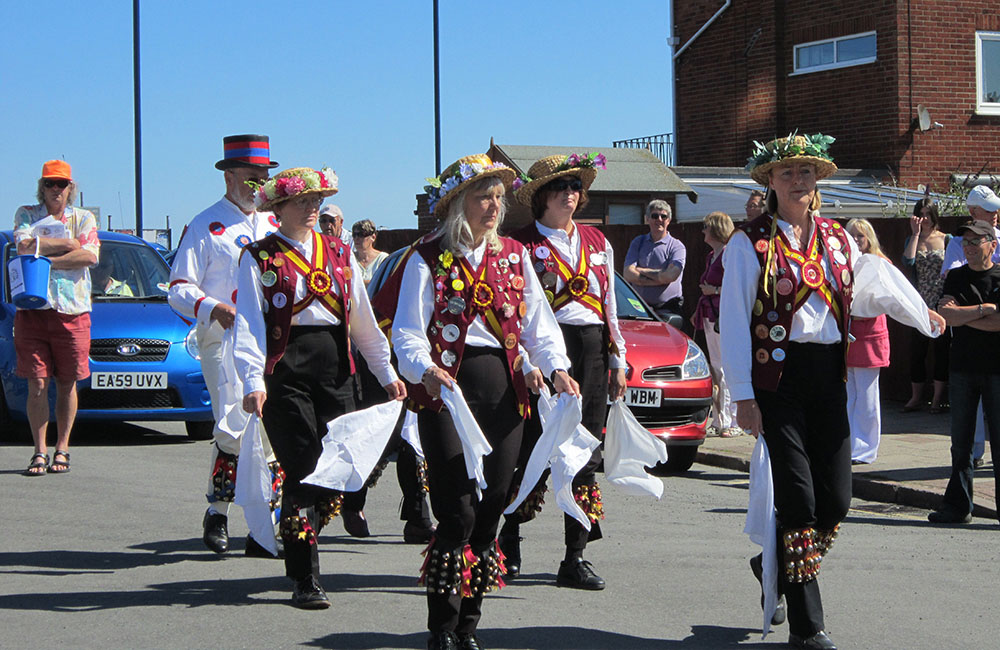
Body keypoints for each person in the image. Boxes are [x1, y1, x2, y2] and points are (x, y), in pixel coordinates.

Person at [721, 133, 944, 650]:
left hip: (829, 376)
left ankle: (772, 562)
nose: (798, 181)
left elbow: (874, 286)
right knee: (798, 500)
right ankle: (807, 626)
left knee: (837, 500)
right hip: (777, 380)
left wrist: (921, 314)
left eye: (806, 172)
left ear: (817, 181)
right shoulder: (748, 242)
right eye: (787, 173)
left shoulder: (838, 239)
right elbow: (733, 321)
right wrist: (743, 396)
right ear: (770, 182)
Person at [392, 154, 577, 650]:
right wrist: (424, 369)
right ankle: (442, 628)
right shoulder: (427, 257)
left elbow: (538, 325)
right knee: (457, 512)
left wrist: (556, 368)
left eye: (498, 197)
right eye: (483, 197)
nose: (494, 206)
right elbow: (407, 331)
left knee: (492, 506)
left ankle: (468, 627)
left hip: (503, 392)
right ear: (458, 203)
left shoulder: (514, 255)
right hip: (447, 394)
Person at [234, 165, 405, 608]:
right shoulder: (259, 256)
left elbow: (362, 320)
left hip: (337, 367)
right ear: (278, 207)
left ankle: (295, 537)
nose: (312, 208)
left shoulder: (339, 253)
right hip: (285, 370)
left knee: (338, 469)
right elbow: (249, 325)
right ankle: (305, 576)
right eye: (302, 201)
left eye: (316, 201)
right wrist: (253, 380)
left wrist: (386, 373)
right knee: (303, 469)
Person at [501, 151, 627, 591]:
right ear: (541, 196)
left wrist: (618, 359)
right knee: (530, 450)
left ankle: (575, 557)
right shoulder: (519, 245)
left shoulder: (597, 241)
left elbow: (609, 306)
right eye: (560, 187)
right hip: (543, 354)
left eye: (575, 187)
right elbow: (513, 313)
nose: (570, 195)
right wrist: (525, 360)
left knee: (585, 452)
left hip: (590, 351)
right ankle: (508, 538)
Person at [168, 134, 282, 557]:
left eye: (263, 178)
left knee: (272, 430)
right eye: (251, 177)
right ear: (229, 176)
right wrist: (214, 308)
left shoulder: (276, 225)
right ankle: (218, 511)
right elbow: (178, 288)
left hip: (272, 343)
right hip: (223, 339)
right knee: (233, 426)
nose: (258, 186)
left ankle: (268, 522)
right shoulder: (205, 225)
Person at [14, 160, 99, 476]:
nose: (55, 189)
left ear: (70, 188)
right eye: (50, 183)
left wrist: (43, 259)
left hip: (72, 312)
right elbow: (23, 246)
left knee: (67, 382)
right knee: (37, 382)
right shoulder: (27, 214)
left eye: (61, 184)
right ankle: (39, 451)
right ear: (42, 187)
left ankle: (62, 447)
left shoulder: (83, 218)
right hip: (33, 310)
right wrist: (68, 245)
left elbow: (90, 255)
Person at [927, 221, 1000, 524]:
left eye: (975, 241)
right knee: (961, 444)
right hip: (962, 368)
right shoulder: (956, 276)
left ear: (992, 245)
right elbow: (946, 316)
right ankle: (958, 507)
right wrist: (984, 309)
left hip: (996, 370)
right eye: (965, 242)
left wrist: (964, 314)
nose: (968, 247)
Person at [692, 211, 741, 437]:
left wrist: (715, 290)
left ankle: (733, 420)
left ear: (716, 229)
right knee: (716, 368)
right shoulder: (712, 255)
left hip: (724, 316)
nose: (703, 230)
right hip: (709, 315)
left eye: (706, 226)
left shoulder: (729, 253)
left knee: (727, 367)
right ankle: (719, 418)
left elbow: (736, 284)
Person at [845, 219, 890, 464]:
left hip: (870, 335)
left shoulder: (880, 264)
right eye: (851, 235)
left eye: (860, 235)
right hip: (846, 336)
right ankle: (849, 445)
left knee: (867, 396)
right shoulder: (842, 262)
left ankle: (865, 449)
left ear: (869, 238)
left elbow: (886, 299)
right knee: (848, 395)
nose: (855, 240)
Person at [902, 199, 950, 413]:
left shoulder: (947, 239)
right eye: (921, 214)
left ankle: (937, 399)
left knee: (941, 352)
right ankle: (916, 397)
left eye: (929, 214)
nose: (926, 219)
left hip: (941, 302)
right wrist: (915, 234)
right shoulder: (912, 239)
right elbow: (908, 261)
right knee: (917, 352)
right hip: (920, 304)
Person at [624, 199, 687, 324]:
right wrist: (660, 279)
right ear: (647, 219)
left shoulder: (677, 246)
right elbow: (628, 274)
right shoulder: (638, 242)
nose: (659, 219)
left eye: (663, 216)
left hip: (668, 310)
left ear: (669, 220)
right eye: (654, 216)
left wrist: (641, 271)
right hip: (640, 310)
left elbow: (670, 276)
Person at [351, 219, 389, 286]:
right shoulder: (350, 258)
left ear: (373, 237)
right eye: (354, 235)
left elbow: (384, 283)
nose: (356, 238)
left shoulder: (383, 259)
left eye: (361, 234)